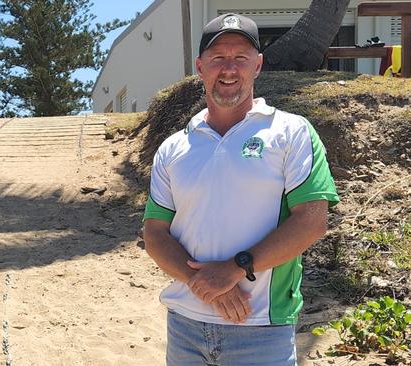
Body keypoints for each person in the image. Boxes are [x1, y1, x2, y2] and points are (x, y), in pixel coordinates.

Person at [143, 13, 339, 366]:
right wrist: (202, 282)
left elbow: (312, 221)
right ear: (200, 67)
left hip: (261, 328)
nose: (229, 69)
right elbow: (155, 233)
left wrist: (235, 269)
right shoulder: (174, 148)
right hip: (185, 326)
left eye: (240, 58)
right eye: (218, 58)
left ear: (258, 65)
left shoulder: (291, 132)